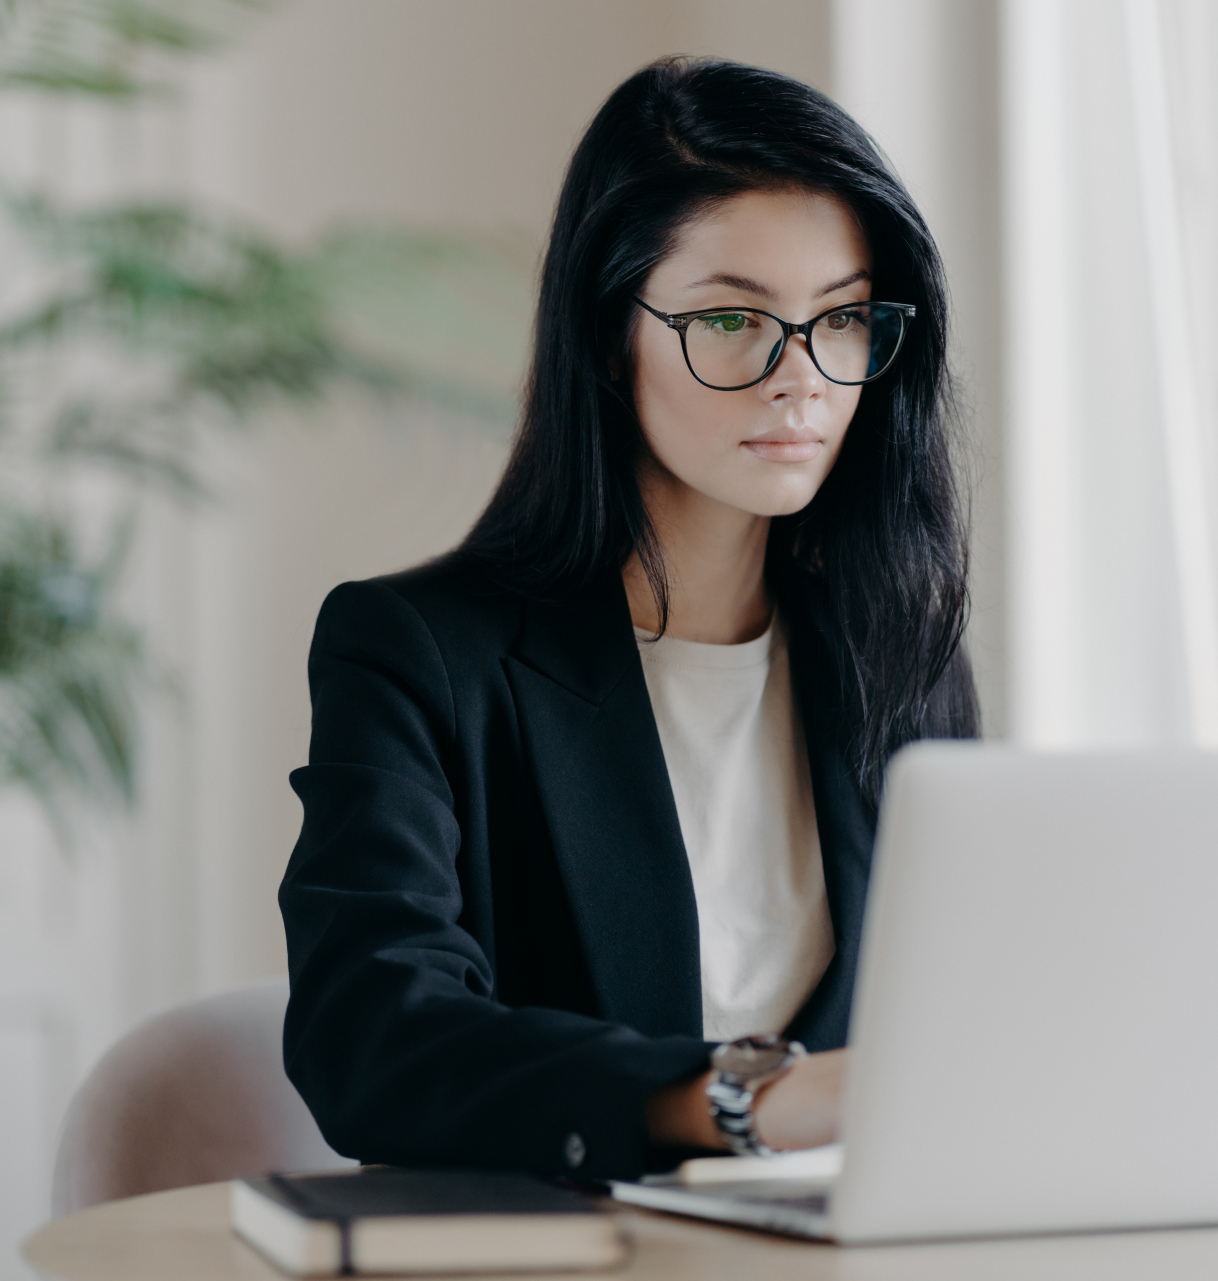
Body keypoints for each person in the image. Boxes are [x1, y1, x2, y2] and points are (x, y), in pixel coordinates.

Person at [278, 57, 977, 1183]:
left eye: (842, 317)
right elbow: (372, 1040)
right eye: (733, 318)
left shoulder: (900, 654)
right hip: (579, 1246)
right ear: (611, 333)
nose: (801, 378)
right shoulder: (416, 654)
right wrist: (750, 1103)